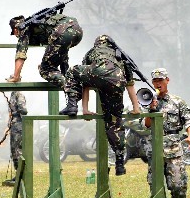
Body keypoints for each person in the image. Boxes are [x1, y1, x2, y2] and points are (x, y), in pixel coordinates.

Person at [60, 34, 141, 176]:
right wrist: (136, 107)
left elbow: (85, 83)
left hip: (97, 75)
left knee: (73, 72)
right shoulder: (120, 56)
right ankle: (120, 161)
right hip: (116, 82)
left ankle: (72, 104)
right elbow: (130, 85)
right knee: (115, 124)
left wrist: (85, 109)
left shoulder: (91, 52)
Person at [144, 68, 190, 198]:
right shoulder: (147, 100)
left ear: (167, 80)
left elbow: (189, 120)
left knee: (177, 186)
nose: (158, 83)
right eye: (155, 81)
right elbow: (146, 125)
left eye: (161, 80)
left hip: (174, 150)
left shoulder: (177, 101)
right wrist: (151, 109)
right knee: (155, 186)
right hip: (155, 149)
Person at [6, 12, 83, 88]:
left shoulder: (23, 28)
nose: (16, 35)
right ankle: (73, 83)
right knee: (53, 63)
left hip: (62, 32)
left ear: (15, 30)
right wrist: (64, 73)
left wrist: (16, 76)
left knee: (45, 69)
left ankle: (73, 88)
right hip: (77, 30)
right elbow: (61, 51)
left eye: (14, 33)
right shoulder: (39, 23)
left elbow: (20, 54)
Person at [4, 91, 28, 186]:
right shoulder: (13, 94)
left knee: (18, 151)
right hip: (14, 126)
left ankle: (21, 175)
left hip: (19, 126)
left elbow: (23, 110)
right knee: (14, 151)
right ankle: (18, 174)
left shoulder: (19, 94)